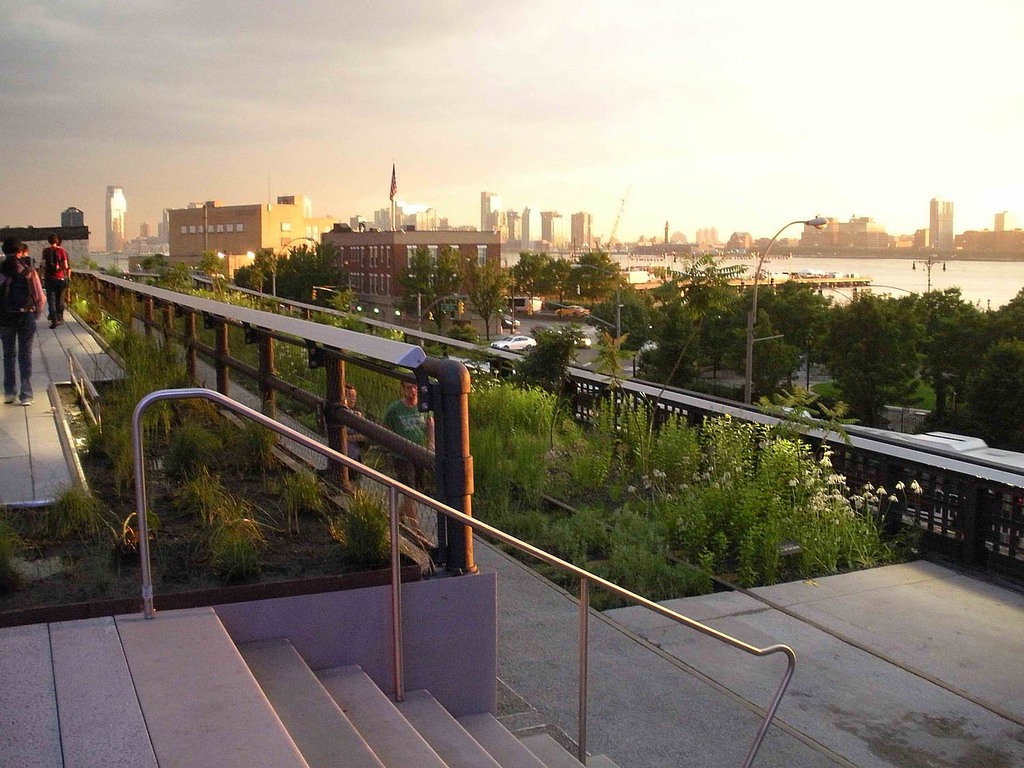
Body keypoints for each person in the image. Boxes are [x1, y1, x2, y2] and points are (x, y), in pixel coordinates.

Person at [0, 238, 45, 406]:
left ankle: (9, 392)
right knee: (25, 355)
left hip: (5, 318)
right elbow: (40, 298)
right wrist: (35, 315)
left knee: (8, 355)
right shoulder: (29, 271)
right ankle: (26, 394)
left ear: (4, 252)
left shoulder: (1, 272)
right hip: (26, 316)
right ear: (20, 251)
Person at [382, 380, 434, 523]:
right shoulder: (395, 408)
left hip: (420, 453)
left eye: (416, 387)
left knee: (416, 490)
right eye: (409, 387)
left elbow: (430, 423)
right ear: (403, 389)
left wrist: (431, 442)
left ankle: (397, 516)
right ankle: (415, 528)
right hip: (402, 456)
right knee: (409, 491)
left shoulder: (424, 406)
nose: (413, 391)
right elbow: (385, 427)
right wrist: (393, 445)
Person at [41, 233, 70, 328]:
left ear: (48, 241)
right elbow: (65, 266)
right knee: (59, 299)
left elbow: (43, 265)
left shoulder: (45, 251)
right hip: (60, 278)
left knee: (51, 299)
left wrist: (42, 276)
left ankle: (54, 319)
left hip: (49, 278)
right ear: (57, 241)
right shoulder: (61, 251)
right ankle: (59, 317)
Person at [343, 383, 364, 464]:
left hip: (355, 455)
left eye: (354, 396)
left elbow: (363, 436)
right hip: (344, 452)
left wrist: (349, 437)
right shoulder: (337, 414)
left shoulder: (357, 415)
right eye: (350, 396)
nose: (353, 399)